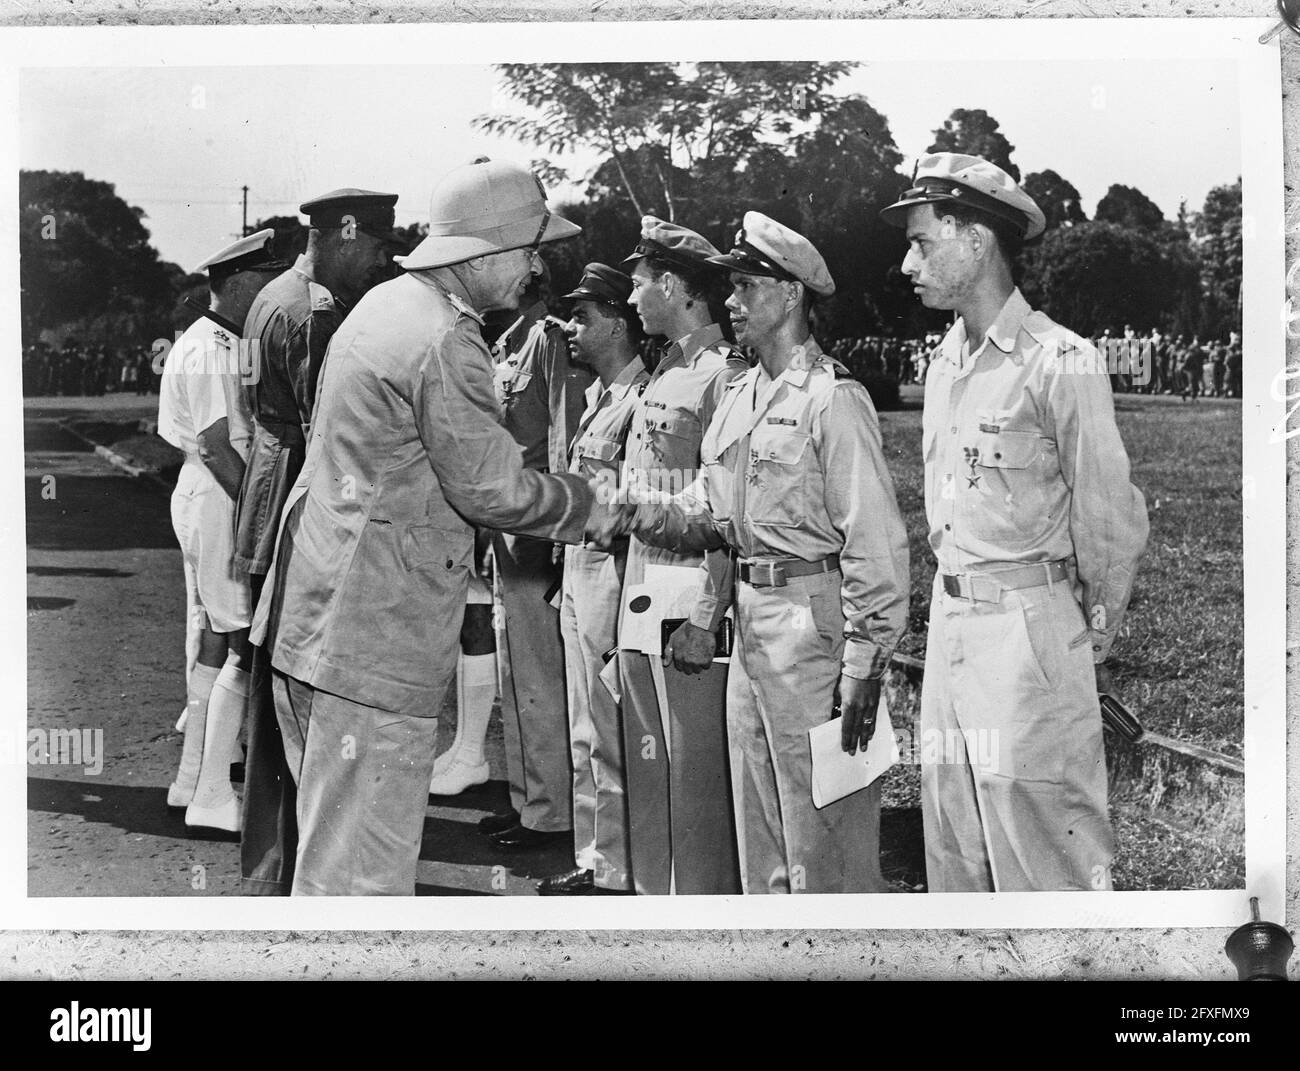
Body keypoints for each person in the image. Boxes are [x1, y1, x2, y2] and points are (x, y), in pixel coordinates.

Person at [251, 157, 604, 896]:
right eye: (532, 251)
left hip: (316, 626)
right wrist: (610, 504)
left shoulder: (386, 305)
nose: (537, 271)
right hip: (370, 646)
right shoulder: (446, 336)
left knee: (330, 868)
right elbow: (493, 491)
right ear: (491, 249)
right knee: (363, 887)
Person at [608, 212, 910, 894]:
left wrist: (864, 666)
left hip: (811, 625)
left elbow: (875, 544)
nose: (733, 303)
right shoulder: (742, 396)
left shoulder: (832, 399)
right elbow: (711, 511)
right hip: (751, 622)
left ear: (792, 294)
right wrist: (621, 504)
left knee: (824, 833)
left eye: (746, 287)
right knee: (762, 836)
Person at [881, 152, 1149, 892]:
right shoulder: (944, 362)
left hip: (1029, 632)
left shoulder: (1061, 360)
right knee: (954, 844)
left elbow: (1108, 515)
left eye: (922, 240)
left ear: (975, 241)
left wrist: (1084, 634)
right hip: (951, 624)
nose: (909, 262)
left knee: (1045, 850)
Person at [235, 188, 398, 895]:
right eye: (377, 248)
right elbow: (327, 424)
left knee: (273, 705)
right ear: (348, 231)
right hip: (301, 502)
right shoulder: (316, 313)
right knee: (303, 702)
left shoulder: (274, 293)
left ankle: (270, 870)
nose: (380, 264)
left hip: (267, 493)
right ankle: (292, 874)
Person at [617, 215, 749, 895]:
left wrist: (708, 610)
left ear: (671, 284)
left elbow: (727, 508)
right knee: (650, 766)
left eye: (640, 282)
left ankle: (700, 920)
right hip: (642, 580)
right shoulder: (665, 367)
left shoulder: (720, 375)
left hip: (688, 586)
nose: (632, 297)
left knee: (694, 775)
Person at [156, 229, 287, 832]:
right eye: (263, 282)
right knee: (239, 642)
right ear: (236, 283)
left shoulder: (217, 339)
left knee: (214, 636)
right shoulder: (211, 347)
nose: (272, 292)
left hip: (207, 497)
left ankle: (191, 780)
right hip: (219, 496)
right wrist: (258, 512)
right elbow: (213, 445)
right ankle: (212, 794)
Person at [472, 261, 594, 847]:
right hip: (505, 521)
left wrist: (561, 528)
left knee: (541, 670)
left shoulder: (549, 341)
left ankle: (552, 810)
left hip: (535, 520)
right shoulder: (506, 342)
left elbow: (563, 438)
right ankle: (526, 797)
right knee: (513, 667)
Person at [537, 263, 649, 896]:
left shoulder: (638, 400)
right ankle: (592, 857)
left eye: (583, 317)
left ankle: (616, 866)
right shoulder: (595, 398)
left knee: (608, 723)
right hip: (578, 565)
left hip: (611, 569)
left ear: (617, 322)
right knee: (584, 722)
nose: (571, 329)